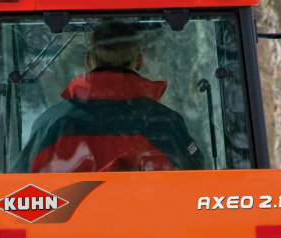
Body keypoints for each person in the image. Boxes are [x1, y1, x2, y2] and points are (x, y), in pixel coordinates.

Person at [11, 20, 206, 173]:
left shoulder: (52, 126)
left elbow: (15, 195)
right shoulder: (166, 124)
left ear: (88, 60)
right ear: (139, 61)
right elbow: (195, 188)